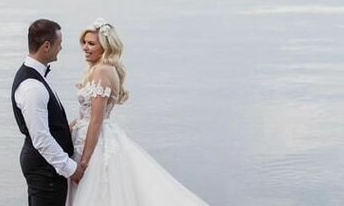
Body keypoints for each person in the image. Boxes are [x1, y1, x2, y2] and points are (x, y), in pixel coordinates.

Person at [68, 18, 209, 205]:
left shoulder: (101, 71)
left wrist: (83, 164)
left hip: (93, 141)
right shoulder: (107, 69)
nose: (85, 47)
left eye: (91, 44)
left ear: (105, 47)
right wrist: (67, 127)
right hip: (92, 135)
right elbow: (86, 115)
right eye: (84, 43)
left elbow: (96, 119)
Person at [12, 18, 87, 205]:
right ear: (46, 46)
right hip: (45, 169)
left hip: (46, 166)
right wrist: (70, 168)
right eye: (59, 44)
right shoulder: (32, 87)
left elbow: (45, 124)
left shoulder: (37, 76)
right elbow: (41, 138)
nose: (60, 48)